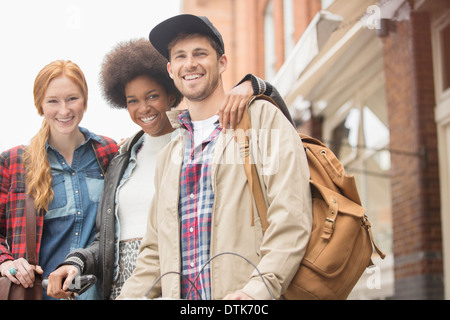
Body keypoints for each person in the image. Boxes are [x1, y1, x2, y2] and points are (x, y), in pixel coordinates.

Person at [46, 39, 285, 300]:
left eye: (152, 96)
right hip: (128, 285)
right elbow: (107, 237)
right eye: (132, 101)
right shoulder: (121, 158)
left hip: (194, 280)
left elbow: (282, 164)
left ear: (171, 94)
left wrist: (256, 86)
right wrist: (78, 260)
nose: (143, 108)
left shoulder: (195, 142)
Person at [117, 14, 312, 300]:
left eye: (200, 53)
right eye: (180, 56)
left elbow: (292, 217)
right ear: (171, 70)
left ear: (222, 63)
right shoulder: (171, 153)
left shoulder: (262, 120)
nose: (190, 63)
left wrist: (256, 292)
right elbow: (155, 252)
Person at [0, 60, 118, 300]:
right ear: (40, 105)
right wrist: (6, 261)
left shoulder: (108, 152)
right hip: (38, 295)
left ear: (85, 100)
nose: (64, 111)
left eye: (72, 99)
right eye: (53, 101)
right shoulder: (14, 162)